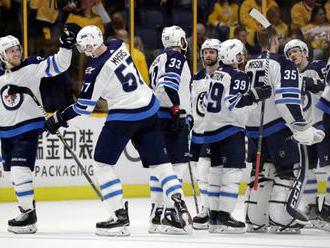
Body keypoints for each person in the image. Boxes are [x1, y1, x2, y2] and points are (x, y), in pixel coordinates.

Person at [44, 25, 193, 236]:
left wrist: (59, 117)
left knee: (102, 164)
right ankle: (177, 199)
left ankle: (118, 217)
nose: (82, 50)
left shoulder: (94, 69)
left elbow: (84, 107)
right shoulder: (117, 45)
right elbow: (109, 38)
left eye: (83, 46)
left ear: (88, 46)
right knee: (161, 163)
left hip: (124, 117)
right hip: (150, 108)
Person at [0, 23, 81, 234]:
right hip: (5, 134)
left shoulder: (31, 66)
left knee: (20, 170)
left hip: (26, 130)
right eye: (11, 51)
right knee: (13, 174)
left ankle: (28, 215)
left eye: (17, 48)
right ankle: (27, 211)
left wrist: (66, 46)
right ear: (2, 55)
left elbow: (60, 64)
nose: (16, 52)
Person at [245, 28, 325, 234]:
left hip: (255, 130)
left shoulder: (250, 63)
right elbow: (286, 99)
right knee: (288, 172)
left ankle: (255, 217)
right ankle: (282, 219)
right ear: (275, 41)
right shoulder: (282, 63)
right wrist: (299, 126)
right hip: (278, 128)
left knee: (262, 172)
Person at [200, 39, 271, 234]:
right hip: (230, 129)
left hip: (211, 129)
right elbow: (235, 102)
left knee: (215, 173)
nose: (243, 56)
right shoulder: (238, 75)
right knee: (232, 173)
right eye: (240, 54)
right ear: (233, 55)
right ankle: (225, 217)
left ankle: (214, 217)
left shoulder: (216, 74)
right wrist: (255, 95)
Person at [148, 25, 192, 234]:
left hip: (157, 117)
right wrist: (177, 110)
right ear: (180, 40)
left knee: (160, 167)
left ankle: (156, 213)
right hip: (170, 117)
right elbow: (166, 86)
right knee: (179, 165)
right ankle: (170, 214)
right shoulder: (176, 56)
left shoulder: (157, 59)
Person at [284, 39, 330, 232]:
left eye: (295, 51)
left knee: (326, 167)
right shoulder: (290, 76)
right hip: (303, 128)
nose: (293, 56)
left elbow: (326, 86)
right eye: (289, 54)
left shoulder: (318, 66)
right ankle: (311, 207)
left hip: (321, 124)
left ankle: (326, 208)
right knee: (307, 169)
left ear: (305, 52)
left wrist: (316, 84)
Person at [190, 38, 221, 230]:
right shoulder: (196, 78)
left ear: (219, 55)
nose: (208, 55)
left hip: (215, 132)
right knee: (199, 172)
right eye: (205, 52)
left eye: (211, 52)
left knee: (209, 171)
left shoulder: (225, 76)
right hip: (197, 132)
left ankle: (210, 209)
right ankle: (206, 208)